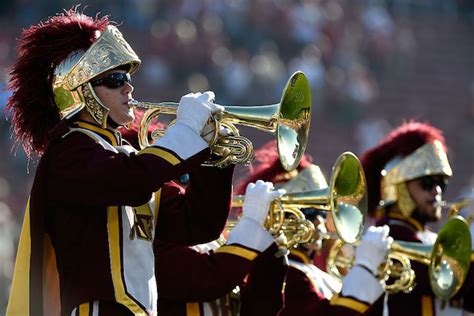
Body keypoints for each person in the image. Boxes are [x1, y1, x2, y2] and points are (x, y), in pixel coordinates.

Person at [6, 9, 234, 316]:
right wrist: (184, 133)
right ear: (81, 91)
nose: (128, 87)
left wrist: (215, 163)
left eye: (127, 78)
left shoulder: (125, 155)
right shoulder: (68, 151)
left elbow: (195, 225)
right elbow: (130, 182)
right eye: (115, 79)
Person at [120, 118, 287, 316]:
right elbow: (204, 280)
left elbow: (257, 309)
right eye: (181, 174)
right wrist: (250, 228)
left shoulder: (217, 242)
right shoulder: (143, 233)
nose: (187, 184)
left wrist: (271, 252)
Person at [236, 141, 393, 315]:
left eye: (322, 213)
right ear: (284, 219)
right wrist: (364, 270)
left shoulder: (318, 273)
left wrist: (374, 276)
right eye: (310, 213)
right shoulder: (289, 273)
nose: (320, 221)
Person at [360, 120, 474, 315]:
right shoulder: (389, 235)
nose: (437, 191)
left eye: (442, 183)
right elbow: (461, 282)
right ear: (398, 186)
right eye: (427, 182)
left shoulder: (426, 238)